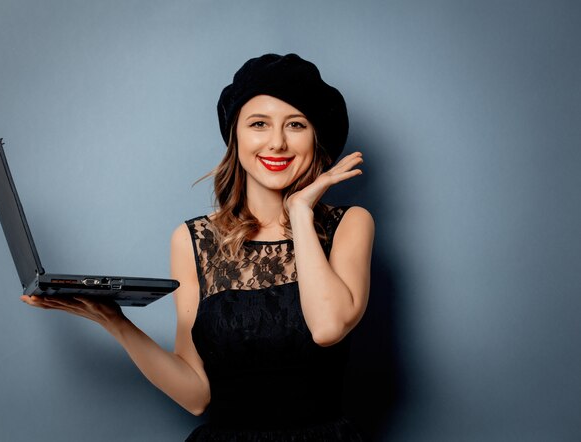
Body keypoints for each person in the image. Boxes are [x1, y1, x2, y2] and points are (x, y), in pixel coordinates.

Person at [22, 53, 375, 441]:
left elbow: (327, 328)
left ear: (315, 137)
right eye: (259, 124)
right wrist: (115, 321)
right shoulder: (192, 240)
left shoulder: (349, 224)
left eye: (295, 124)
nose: (277, 142)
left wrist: (300, 212)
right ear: (235, 136)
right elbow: (196, 396)